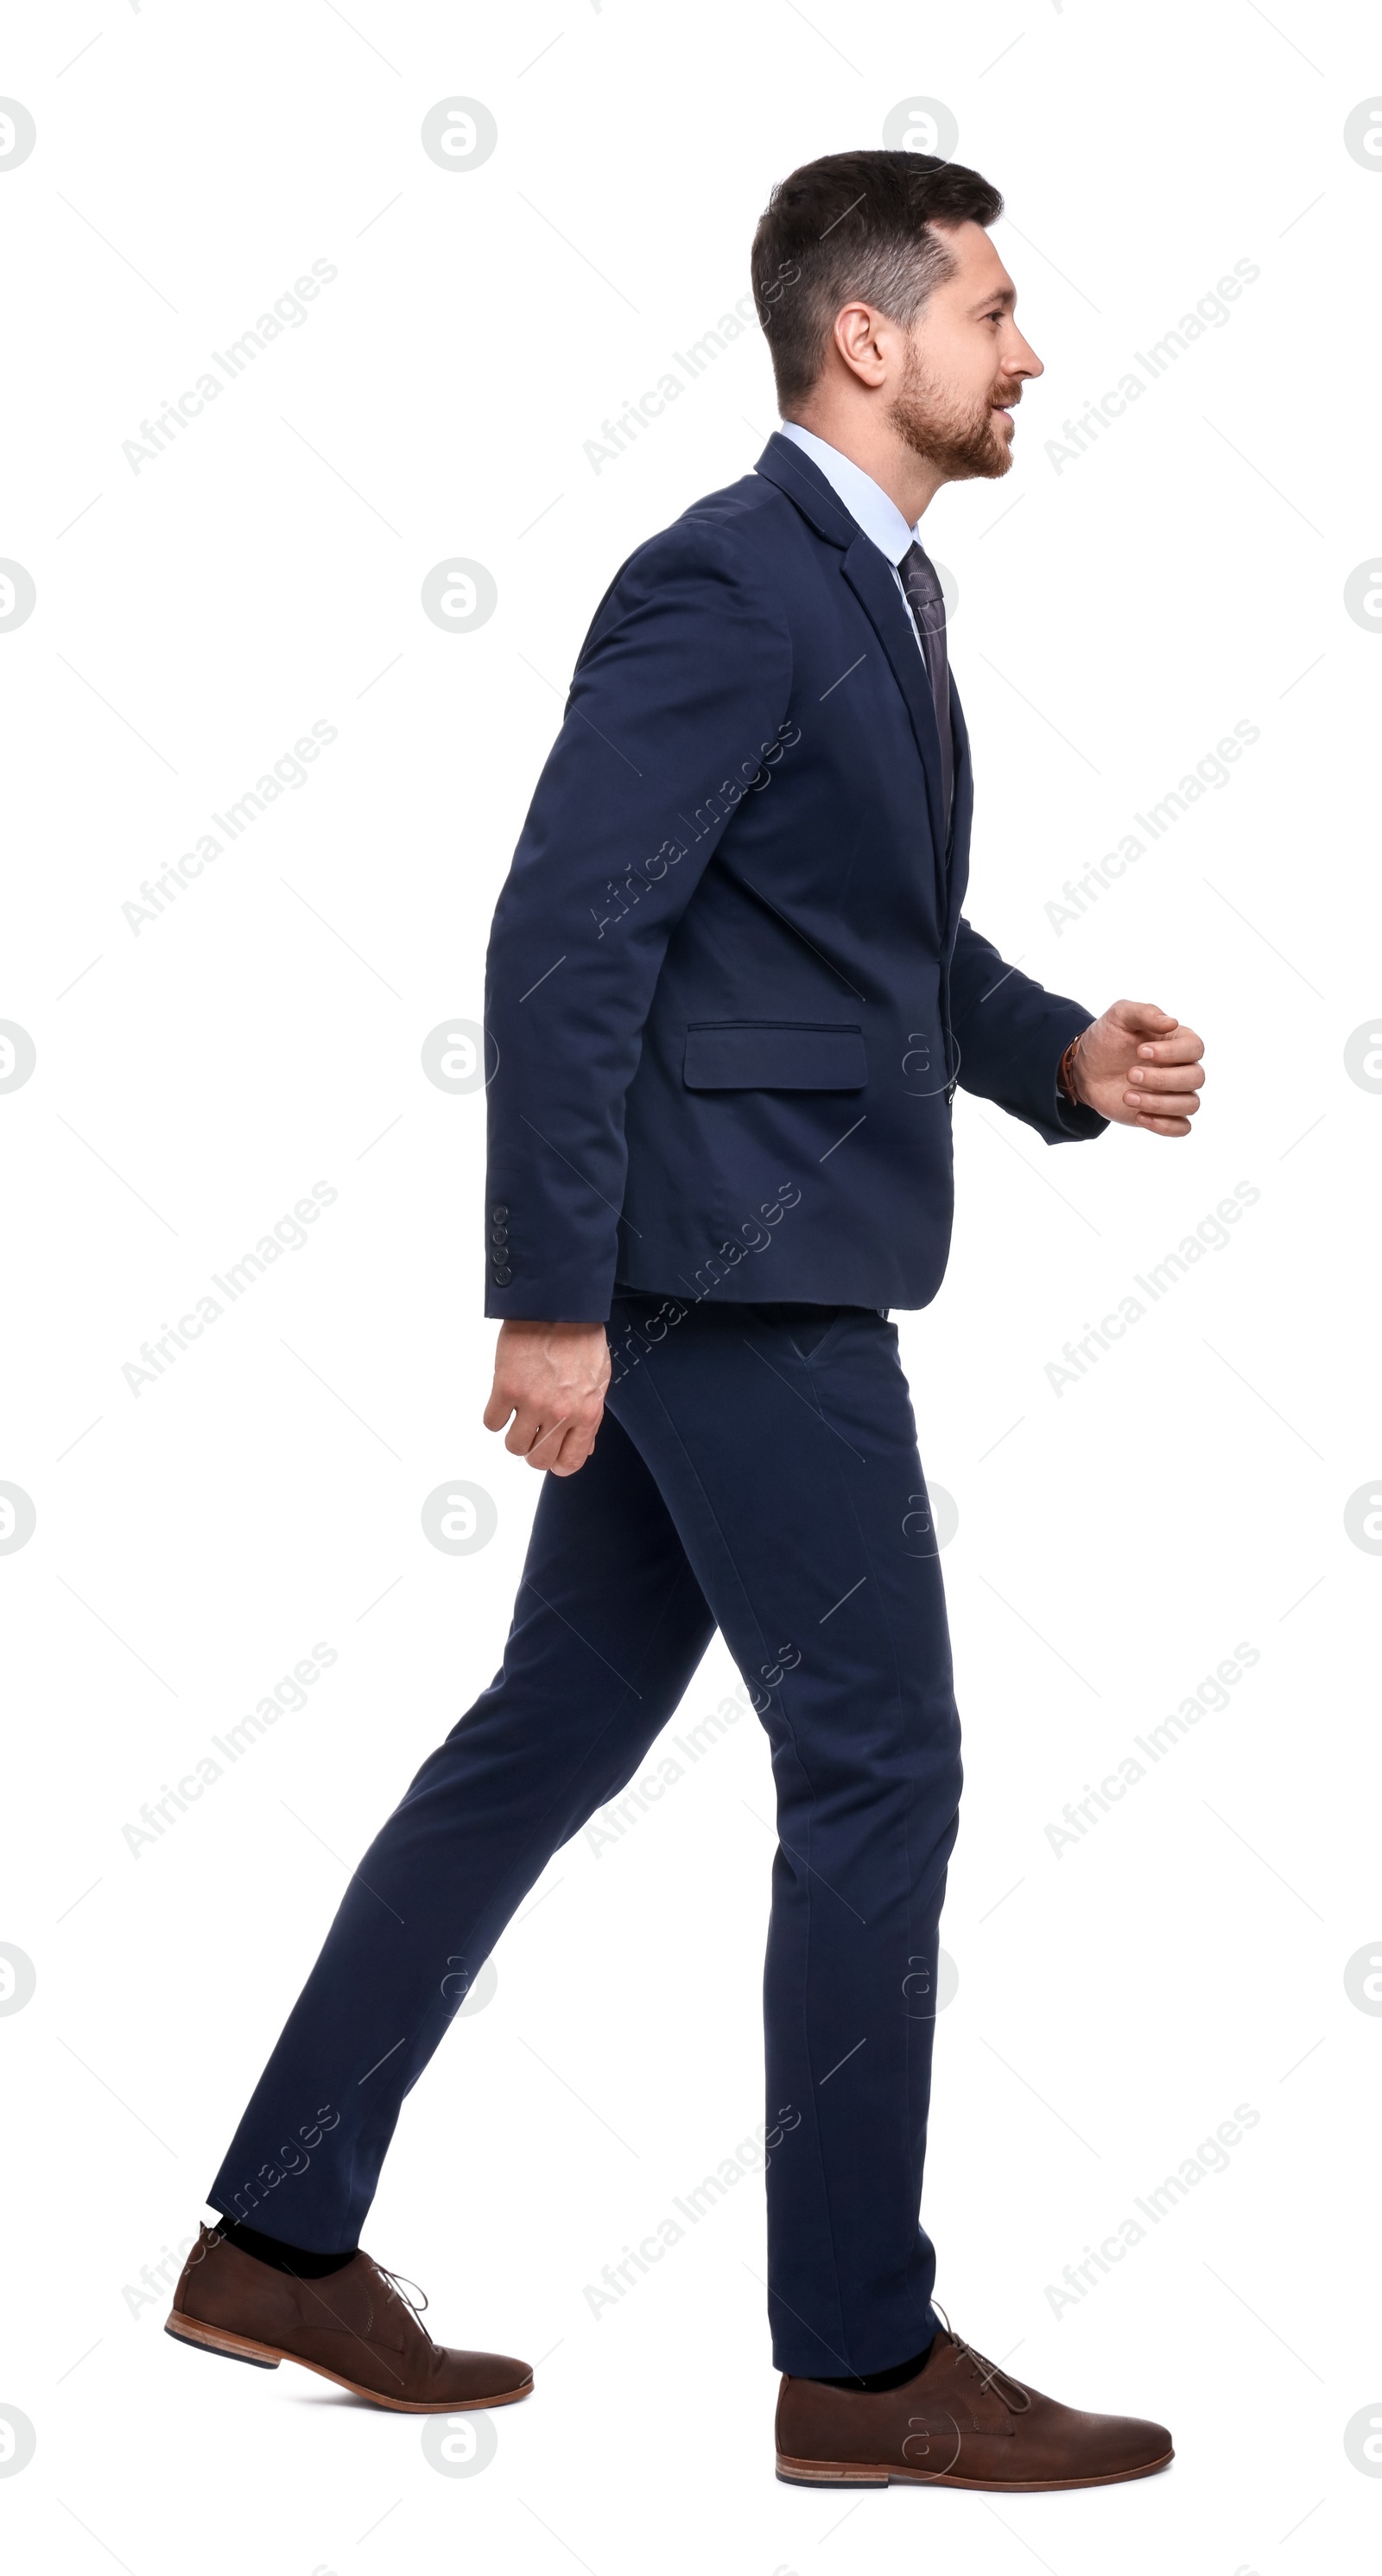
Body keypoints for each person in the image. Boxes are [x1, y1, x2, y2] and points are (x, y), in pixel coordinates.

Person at [168, 149, 1202, 2490]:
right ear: (870, 338)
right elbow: (569, 938)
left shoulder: (880, 596)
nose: (1027, 350)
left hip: (735, 1263)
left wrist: (1050, 1050)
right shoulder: (732, 583)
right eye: (994, 310)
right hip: (741, 1286)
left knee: (545, 1733)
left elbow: (866, 941)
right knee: (885, 1767)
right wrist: (547, 1303)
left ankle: (276, 2243)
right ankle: (858, 2361)